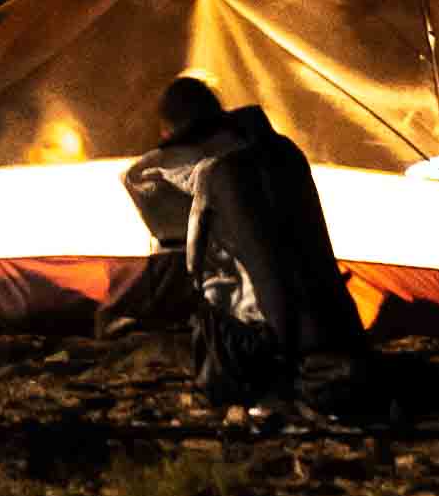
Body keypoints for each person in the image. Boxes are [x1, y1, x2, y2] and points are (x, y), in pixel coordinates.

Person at [118, 72, 373, 410]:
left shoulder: (212, 174)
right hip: (339, 329)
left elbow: (146, 191)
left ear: (169, 131)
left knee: (168, 322)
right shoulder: (284, 153)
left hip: (266, 348)